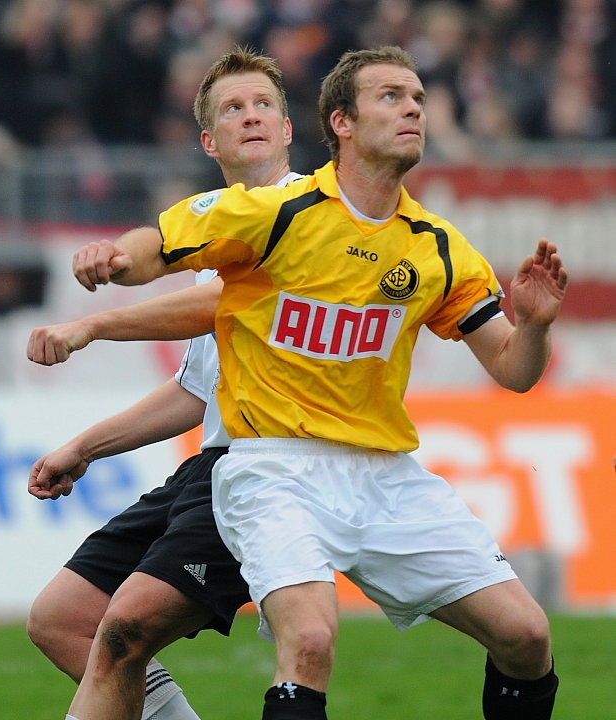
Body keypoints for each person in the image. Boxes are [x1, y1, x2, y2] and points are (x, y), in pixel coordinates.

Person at [69, 46, 568, 720]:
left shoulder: (437, 246)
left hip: (384, 475)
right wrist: (114, 259)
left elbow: (513, 370)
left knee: (527, 636)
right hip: (273, 469)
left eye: (418, 98)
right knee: (308, 640)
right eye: (391, 97)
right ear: (342, 122)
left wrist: (533, 326)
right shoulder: (275, 211)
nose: (413, 109)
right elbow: (157, 245)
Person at [26, 47, 303, 720]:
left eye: (264, 104)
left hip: (276, 466)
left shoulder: (312, 214)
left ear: (288, 128)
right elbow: (193, 392)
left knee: (126, 627)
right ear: (209, 141)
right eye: (233, 108)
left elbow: (220, 305)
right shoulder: (210, 233)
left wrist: (94, 324)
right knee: (62, 619)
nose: (251, 116)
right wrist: (85, 448)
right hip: (213, 466)